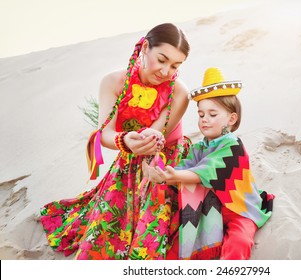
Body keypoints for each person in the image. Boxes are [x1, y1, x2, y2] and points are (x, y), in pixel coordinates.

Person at [40, 23, 192, 260]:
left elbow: (153, 136)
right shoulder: (112, 82)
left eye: (175, 65)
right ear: (144, 48)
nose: (166, 71)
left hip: (166, 162)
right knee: (104, 231)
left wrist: (141, 145)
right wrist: (124, 140)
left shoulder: (180, 93)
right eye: (161, 59)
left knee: (151, 232)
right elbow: (105, 134)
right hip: (129, 156)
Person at [143, 67, 274, 260]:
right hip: (210, 209)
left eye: (212, 114)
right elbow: (185, 167)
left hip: (239, 208)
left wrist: (176, 176)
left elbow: (208, 171)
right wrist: (164, 174)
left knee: (239, 242)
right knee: (180, 242)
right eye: (201, 114)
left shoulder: (232, 145)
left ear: (231, 118)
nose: (204, 120)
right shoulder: (199, 147)